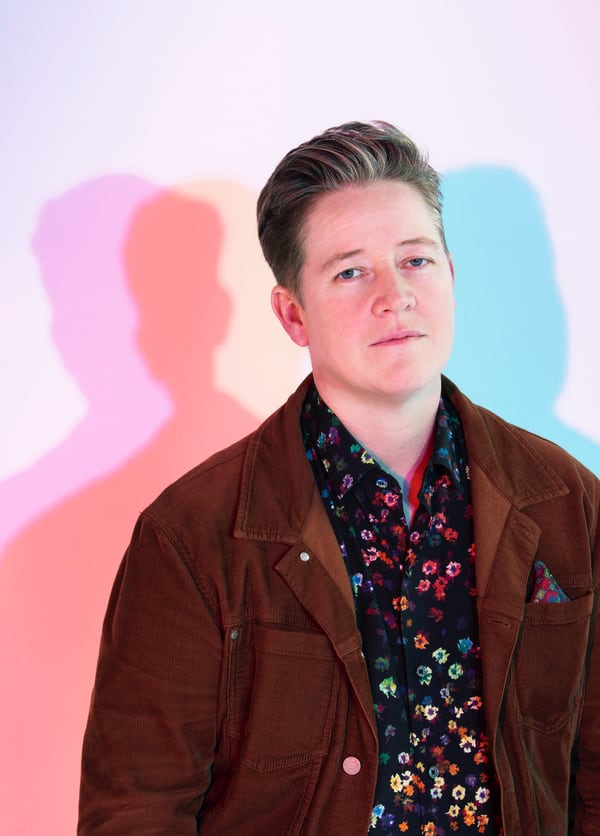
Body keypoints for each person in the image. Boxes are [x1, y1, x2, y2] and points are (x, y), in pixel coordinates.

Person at [78, 122, 600, 835]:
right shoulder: (193, 536)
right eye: (350, 271)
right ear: (293, 314)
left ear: (451, 274)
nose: (395, 296)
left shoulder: (569, 500)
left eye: (415, 260)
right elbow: (135, 811)